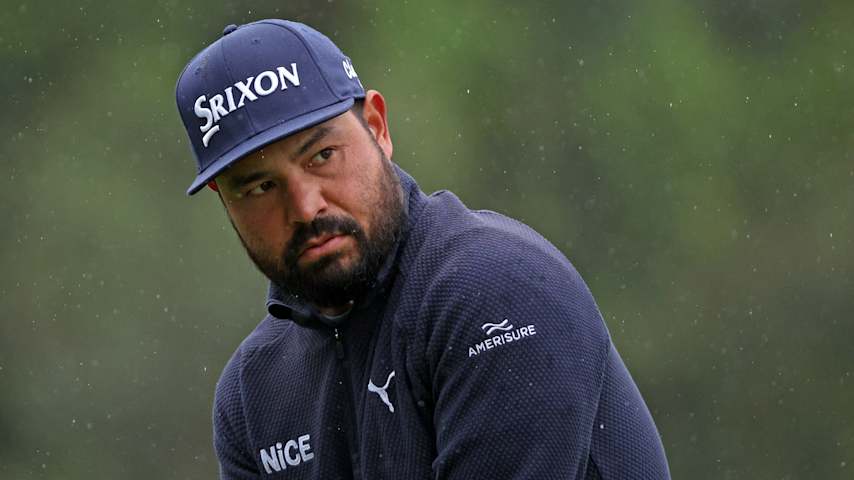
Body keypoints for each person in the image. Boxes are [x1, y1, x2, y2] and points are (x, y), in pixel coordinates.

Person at [175, 19, 670, 480]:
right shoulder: (253, 391)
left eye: (322, 155)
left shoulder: (496, 290)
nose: (305, 207)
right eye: (261, 187)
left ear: (377, 126)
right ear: (225, 200)